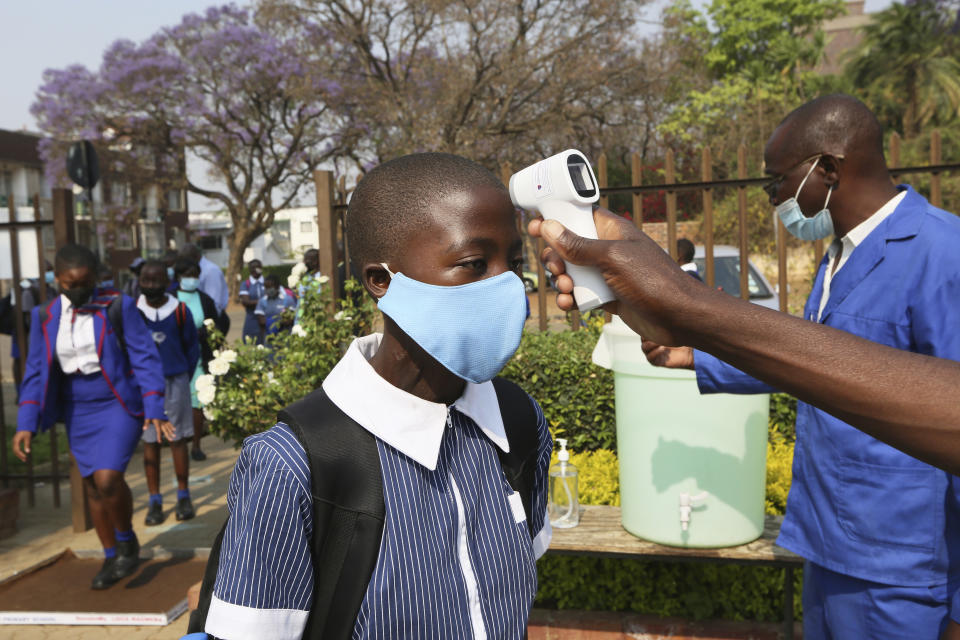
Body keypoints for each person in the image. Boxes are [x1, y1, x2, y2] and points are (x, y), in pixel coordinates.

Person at [535, 94, 960, 639]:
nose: (772, 199)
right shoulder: (841, 253)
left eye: (777, 182)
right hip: (829, 545)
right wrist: (697, 353)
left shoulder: (941, 253)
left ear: (827, 169)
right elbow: (818, 366)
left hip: (904, 573)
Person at [189, 152, 552, 640]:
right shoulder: (293, 465)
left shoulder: (519, 420)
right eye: (473, 263)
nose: (506, 285)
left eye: (512, 262)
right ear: (381, 281)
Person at [13, 244, 173, 589]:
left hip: (116, 402)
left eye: (86, 282)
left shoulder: (118, 306)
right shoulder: (45, 314)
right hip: (76, 406)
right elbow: (36, 370)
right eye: (71, 284)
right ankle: (111, 555)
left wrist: (154, 406)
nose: (79, 290)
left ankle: (127, 539)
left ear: (96, 278)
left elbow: (145, 357)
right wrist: (25, 423)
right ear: (58, 280)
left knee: (107, 479)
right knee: (91, 485)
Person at [136, 261, 200, 524]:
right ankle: (155, 500)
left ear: (168, 282)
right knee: (150, 442)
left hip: (175, 382)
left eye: (157, 280)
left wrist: (180, 372)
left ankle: (183, 495)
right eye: (146, 281)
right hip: (145, 386)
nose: (151, 286)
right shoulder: (133, 311)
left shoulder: (180, 311)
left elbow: (191, 348)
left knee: (177, 440)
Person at [174, 258, 227, 462]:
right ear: (179, 277)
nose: (192, 279)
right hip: (177, 358)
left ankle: (196, 445)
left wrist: (203, 334)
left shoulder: (204, 299)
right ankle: (177, 442)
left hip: (198, 358)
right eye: (188, 275)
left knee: (198, 400)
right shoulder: (170, 298)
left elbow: (217, 326)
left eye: (195, 275)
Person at [180, 243, 229, 316]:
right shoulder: (193, 268)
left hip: (209, 318)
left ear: (195, 256)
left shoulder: (210, 271)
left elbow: (214, 302)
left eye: (186, 259)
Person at [254, 273, 296, 343]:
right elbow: (261, 321)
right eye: (266, 287)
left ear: (277, 286)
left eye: (270, 287)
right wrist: (279, 321)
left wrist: (275, 323)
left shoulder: (287, 300)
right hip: (269, 340)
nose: (268, 290)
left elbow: (290, 320)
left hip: (285, 339)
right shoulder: (262, 301)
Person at [238, 259, 264, 343]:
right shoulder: (245, 284)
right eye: (252, 268)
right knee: (251, 344)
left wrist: (255, 302)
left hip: (266, 319)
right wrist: (264, 302)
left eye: (257, 267)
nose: (254, 270)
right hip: (252, 320)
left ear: (261, 268)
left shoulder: (267, 282)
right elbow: (246, 302)